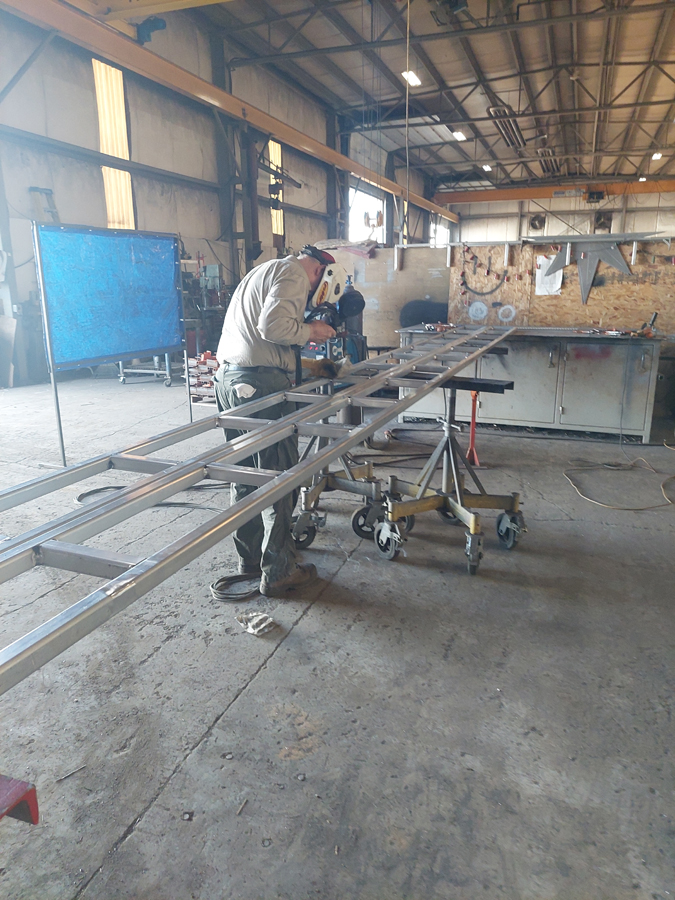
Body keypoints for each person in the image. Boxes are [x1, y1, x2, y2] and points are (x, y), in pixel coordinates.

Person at [214, 247, 337, 597]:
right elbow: (274, 326)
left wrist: (309, 364)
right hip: (261, 386)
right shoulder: (297, 273)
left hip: (230, 380)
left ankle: (251, 559)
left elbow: (258, 330)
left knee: (244, 475)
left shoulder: (262, 271)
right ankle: (280, 571)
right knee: (279, 477)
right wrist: (310, 330)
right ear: (319, 273)